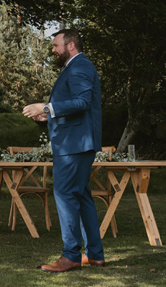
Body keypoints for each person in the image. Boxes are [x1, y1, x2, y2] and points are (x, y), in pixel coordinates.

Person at [23, 29, 105, 272]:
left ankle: (71, 256)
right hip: (76, 142)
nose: (53, 49)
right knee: (81, 197)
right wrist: (46, 117)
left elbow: (82, 102)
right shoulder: (76, 67)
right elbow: (74, 107)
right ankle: (95, 254)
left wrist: (46, 107)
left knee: (65, 195)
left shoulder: (79, 66)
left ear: (70, 45)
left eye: (56, 45)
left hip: (74, 146)